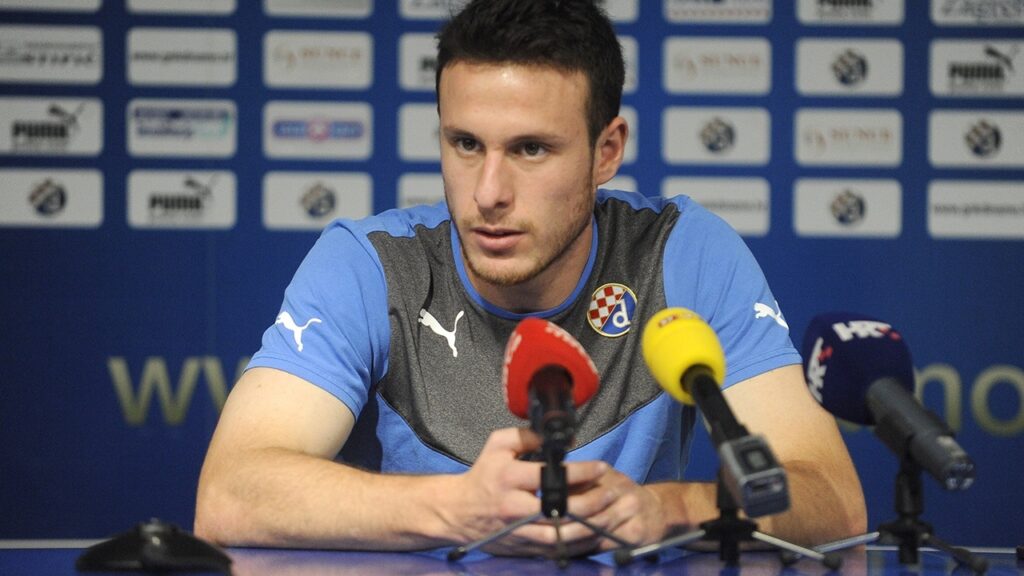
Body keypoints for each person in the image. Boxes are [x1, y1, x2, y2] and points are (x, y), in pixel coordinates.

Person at [194, 0, 866, 557]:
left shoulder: (682, 252)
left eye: (531, 149)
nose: (488, 193)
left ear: (607, 151)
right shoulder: (370, 264)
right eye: (466, 144)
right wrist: (459, 508)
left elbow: (833, 499)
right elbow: (229, 495)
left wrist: (668, 509)